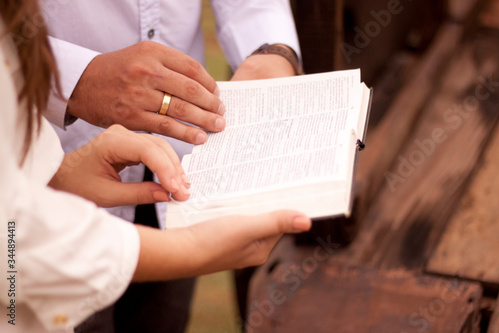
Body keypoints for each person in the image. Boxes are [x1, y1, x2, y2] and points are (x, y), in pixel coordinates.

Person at [0, 1, 311, 332]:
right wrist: (73, 77)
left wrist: (272, 50)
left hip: (169, 174)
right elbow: (15, 241)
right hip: (62, 151)